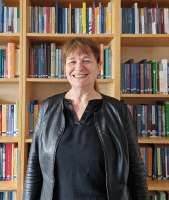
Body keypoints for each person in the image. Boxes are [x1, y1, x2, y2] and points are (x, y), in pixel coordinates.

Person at [22, 37, 149, 200]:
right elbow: (34, 170)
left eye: (86, 60)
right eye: (72, 61)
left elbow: (136, 172)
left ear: (99, 67)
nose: (79, 67)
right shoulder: (47, 108)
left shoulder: (117, 110)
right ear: (65, 68)